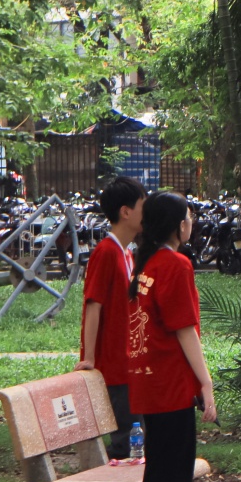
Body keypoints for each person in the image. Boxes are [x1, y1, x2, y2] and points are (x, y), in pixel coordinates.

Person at [124, 192, 217, 482]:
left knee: (171, 465)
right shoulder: (175, 265)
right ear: (179, 225)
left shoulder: (148, 265)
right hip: (169, 383)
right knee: (168, 468)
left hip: (151, 381)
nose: (193, 220)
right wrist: (206, 382)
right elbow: (185, 330)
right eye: (190, 215)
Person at [74, 176, 146, 460]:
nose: (147, 214)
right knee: (124, 446)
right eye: (143, 207)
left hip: (130, 363)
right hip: (115, 369)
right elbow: (94, 306)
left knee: (134, 443)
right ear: (125, 212)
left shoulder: (127, 253)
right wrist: (90, 358)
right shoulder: (106, 252)